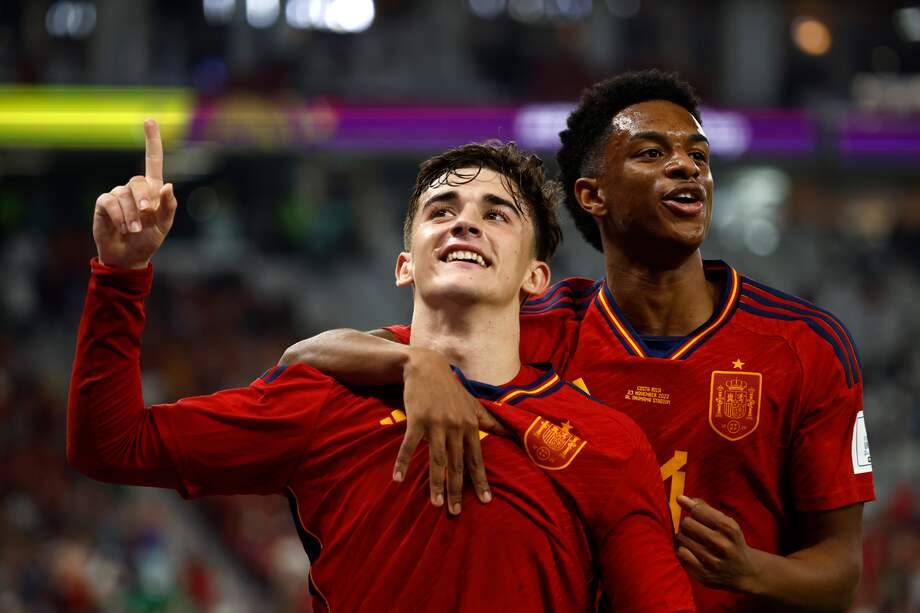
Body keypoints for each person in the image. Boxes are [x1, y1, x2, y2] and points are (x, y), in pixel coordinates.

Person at [281, 70, 875, 612]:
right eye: (652, 153)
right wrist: (416, 362)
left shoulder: (806, 344)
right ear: (593, 196)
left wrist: (752, 571)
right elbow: (308, 357)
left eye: (698, 155)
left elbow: (842, 572)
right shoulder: (540, 325)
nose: (687, 167)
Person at [68, 120, 695, 612]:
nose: (465, 222)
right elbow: (113, 445)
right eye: (441, 210)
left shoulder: (607, 445)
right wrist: (121, 276)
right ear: (405, 265)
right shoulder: (325, 400)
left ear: (536, 278)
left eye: (496, 214)